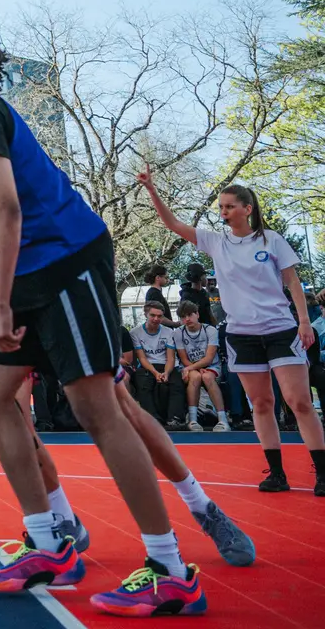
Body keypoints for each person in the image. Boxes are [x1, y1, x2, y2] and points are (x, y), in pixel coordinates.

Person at [0, 28, 205, 616]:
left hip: (62, 261)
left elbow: (7, 206)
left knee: (98, 409)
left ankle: (170, 569)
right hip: (26, 271)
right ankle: (49, 544)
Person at [143, 171, 324, 495]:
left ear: (247, 208)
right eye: (221, 207)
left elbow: (292, 282)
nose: (223, 212)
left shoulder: (271, 240)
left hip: (280, 329)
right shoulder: (216, 241)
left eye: (229, 206)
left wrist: (304, 321)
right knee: (261, 404)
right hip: (242, 335)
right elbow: (173, 225)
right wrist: (152, 189)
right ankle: (277, 473)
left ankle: (322, 472)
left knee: (299, 402)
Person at [131, 300, 186, 430]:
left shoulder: (168, 332)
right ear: (146, 314)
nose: (156, 319)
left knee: (176, 383)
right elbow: (142, 358)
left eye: (159, 316)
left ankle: (175, 418)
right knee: (144, 383)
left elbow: (171, 357)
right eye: (153, 315)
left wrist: (166, 373)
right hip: (148, 366)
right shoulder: (135, 333)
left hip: (167, 365)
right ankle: (152, 419)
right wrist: (155, 373)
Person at [176, 302, 226, 432]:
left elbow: (209, 358)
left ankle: (223, 420)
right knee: (196, 377)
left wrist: (193, 368)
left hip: (212, 366)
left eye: (189, 315)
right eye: (183, 317)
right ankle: (193, 420)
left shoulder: (210, 330)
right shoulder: (178, 333)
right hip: (190, 367)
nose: (187, 319)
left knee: (208, 377)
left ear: (197, 314)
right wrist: (194, 368)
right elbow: (184, 359)